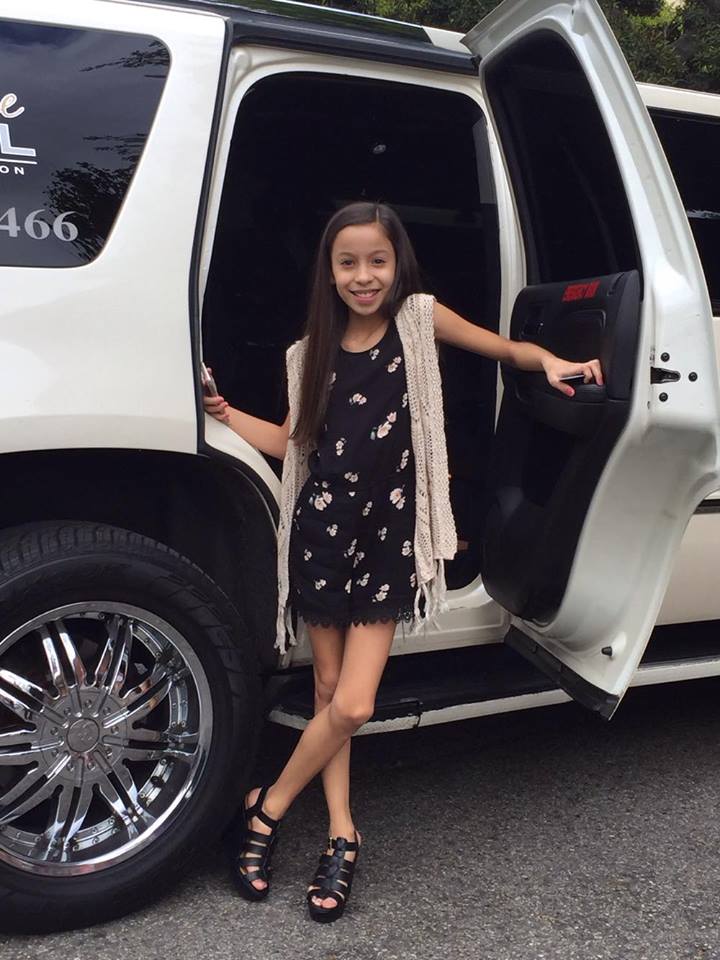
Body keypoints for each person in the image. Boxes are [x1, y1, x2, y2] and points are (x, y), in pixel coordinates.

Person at [203, 201, 603, 922]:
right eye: (348, 263)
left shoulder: (418, 320)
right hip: (321, 539)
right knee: (329, 693)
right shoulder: (307, 354)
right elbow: (292, 444)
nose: (364, 276)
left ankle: (265, 807)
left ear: (398, 264)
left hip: (389, 541)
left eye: (377, 261)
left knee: (354, 704)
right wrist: (223, 413)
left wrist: (549, 359)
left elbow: (501, 348)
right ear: (329, 272)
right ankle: (342, 832)